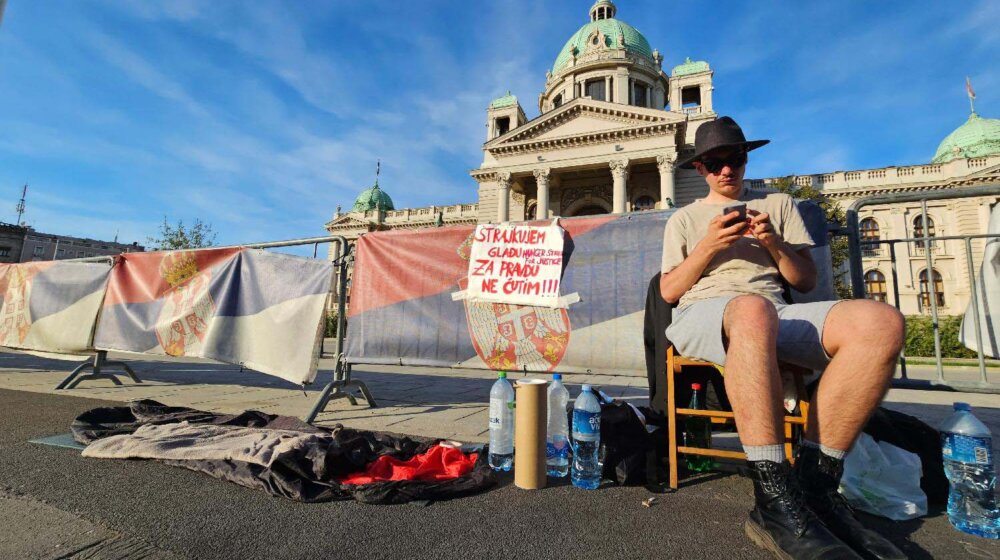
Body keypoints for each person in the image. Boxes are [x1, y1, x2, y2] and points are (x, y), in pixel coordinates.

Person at [660, 116, 906, 560]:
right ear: (700, 169)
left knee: (880, 322)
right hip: (704, 311)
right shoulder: (684, 219)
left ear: (746, 157)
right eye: (714, 163)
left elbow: (806, 280)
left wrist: (773, 243)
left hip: (775, 310)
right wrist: (708, 248)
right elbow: (670, 291)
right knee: (752, 310)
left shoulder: (778, 203)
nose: (725, 171)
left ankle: (815, 488)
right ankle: (774, 500)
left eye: (733, 159)